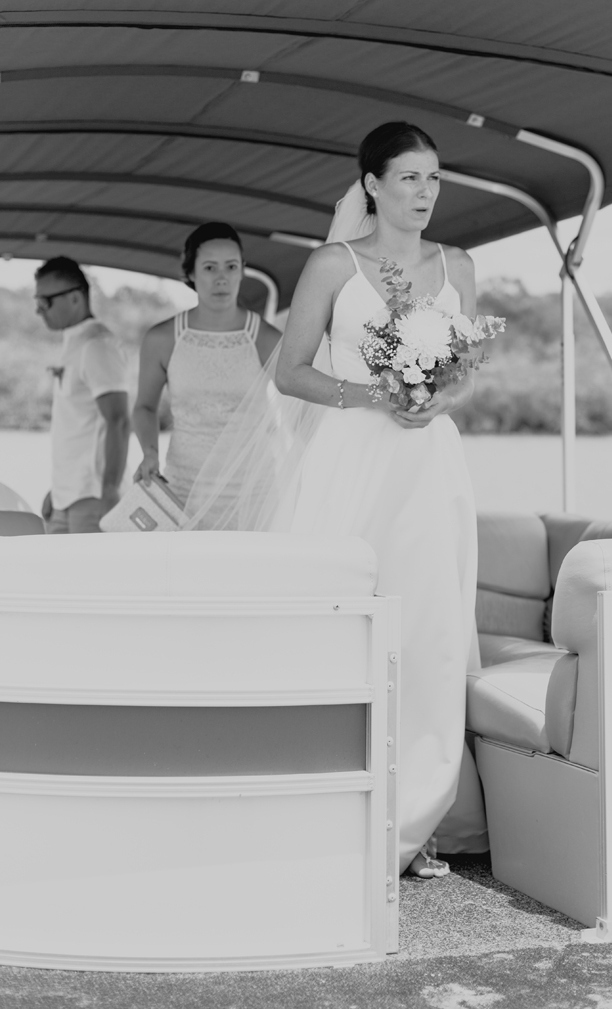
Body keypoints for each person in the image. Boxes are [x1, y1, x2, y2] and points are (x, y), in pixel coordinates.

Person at [185, 123, 488, 877]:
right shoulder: (332, 264)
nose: (425, 194)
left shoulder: (460, 266)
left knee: (431, 636)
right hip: (349, 458)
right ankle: (323, 801)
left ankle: (414, 822)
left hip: (428, 466)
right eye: (410, 179)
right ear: (373, 186)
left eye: (434, 180)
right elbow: (289, 372)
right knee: (340, 631)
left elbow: (469, 374)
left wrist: (435, 401)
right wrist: (372, 391)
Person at [133, 221, 281, 503]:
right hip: (184, 489)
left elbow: (301, 407)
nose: (221, 278)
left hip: (253, 493)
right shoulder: (162, 339)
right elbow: (144, 406)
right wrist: (148, 453)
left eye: (231, 267)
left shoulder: (266, 338)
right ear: (190, 272)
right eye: (210, 267)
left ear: (242, 269)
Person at [35, 256, 130, 534]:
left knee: (90, 577)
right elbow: (77, 426)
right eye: (37, 301)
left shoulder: (97, 345)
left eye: (46, 301)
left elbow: (119, 421)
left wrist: (110, 491)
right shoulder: (74, 342)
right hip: (66, 497)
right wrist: (58, 490)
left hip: (93, 497)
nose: (39, 310)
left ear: (75, 298)